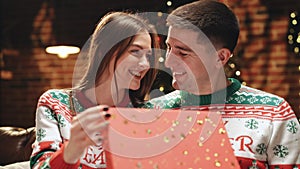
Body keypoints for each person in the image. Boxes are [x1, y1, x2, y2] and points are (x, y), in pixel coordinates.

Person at [142, 0, 300, 168]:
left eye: (183, 53)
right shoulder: (153, 113)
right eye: (169, 48)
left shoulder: (274, 113)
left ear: (221, 57)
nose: (168, 62)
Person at [30, 11, 160, 169]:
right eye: (135, 51)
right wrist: (70, 152)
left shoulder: (145, 113)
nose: (146, 64)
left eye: (148, 56)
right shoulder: (56, 103)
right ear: (104, 51)